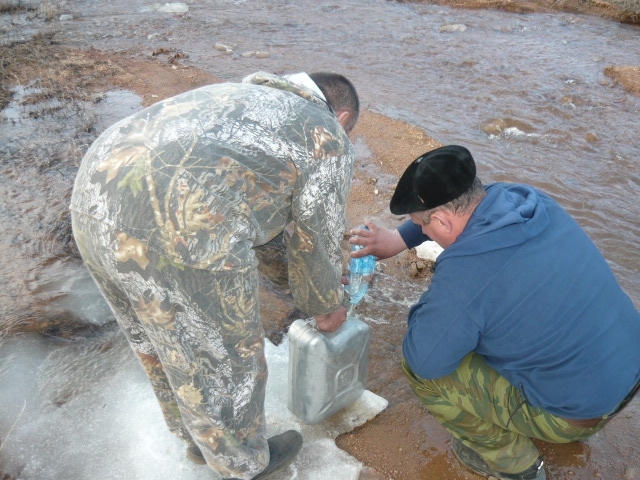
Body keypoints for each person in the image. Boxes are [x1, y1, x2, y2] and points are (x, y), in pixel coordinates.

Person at [70, 71, 359, 480]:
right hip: (177, 219)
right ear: (343, 117)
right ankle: (243, 464)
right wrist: (327, 305)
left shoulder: (242, 96)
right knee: (229, 351)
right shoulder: (326, 134)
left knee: (158, 336)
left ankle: (195, 441)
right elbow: (316, 237)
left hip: (92, 196)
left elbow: (263, 204)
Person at [350, 145, 640, 479]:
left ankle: (518, 467)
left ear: (442, 220)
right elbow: (460, 215)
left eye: (420, 225)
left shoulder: (467, 274)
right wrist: (400, 238)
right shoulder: (523, 199)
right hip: (627, 371)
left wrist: (439, 304)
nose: (422, 232)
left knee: (423, 370)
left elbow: (425, 361)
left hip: (578, 414)